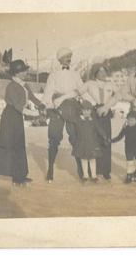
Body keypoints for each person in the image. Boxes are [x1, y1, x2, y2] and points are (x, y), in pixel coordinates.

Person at [54, 64, 118, 180]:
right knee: (94, 140)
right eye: (100, 71)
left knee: (105, 139)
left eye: (104, 71)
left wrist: (108, 106)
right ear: (95, 73)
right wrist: (61, 98)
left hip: (105, 113)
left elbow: (119, 95)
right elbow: (76, 92)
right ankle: (94, 171)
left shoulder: (111, 85)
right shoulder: (89, 84)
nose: (102, 74)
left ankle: (105, 170)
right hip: (94, 113)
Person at [0, 60, 45, 185]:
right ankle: (16, 177)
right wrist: (36, 114)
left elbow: (32, 97)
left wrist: (42, 105)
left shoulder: (24, 84)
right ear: (16, 73)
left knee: (19, 145)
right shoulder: (11, 86)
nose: (25, 72)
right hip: (10, 116)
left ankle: (20, 175)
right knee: (13, 145)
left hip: (17, 117)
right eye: (23, 70)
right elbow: (18, 106)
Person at [42, 47, 84, 183]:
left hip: (72, 108)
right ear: (60, 59)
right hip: (57, 110)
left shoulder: (76, 74)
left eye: (70, 56)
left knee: (75, 139)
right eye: (66, 56)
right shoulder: (53, 75)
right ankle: (50, 170)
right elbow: (48, 94)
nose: (69, 59)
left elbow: (82, 90)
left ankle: (80, 170)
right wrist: (49, 107)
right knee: (54, 139)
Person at [70, 100, 109, 183]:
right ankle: (85, 175)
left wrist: (104, 136)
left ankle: (94, 175)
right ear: (81, 111)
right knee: (83, 159)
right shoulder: (78, 120)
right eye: (84, 110)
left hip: (92, 143)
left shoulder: (93, 120)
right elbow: (72, 124)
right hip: (82, 143)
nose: (86, 112)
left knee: (92, 160)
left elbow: (99, 129)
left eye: (88, 110)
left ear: (91, 111)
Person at [111, 110, 136, 184]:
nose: (130, 122)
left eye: (132, 120)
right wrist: (112, 140)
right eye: (129, 120)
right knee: (129, 163)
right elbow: (119, 136)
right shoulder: (126, 128)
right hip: (128, 149)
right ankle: (129, 176)